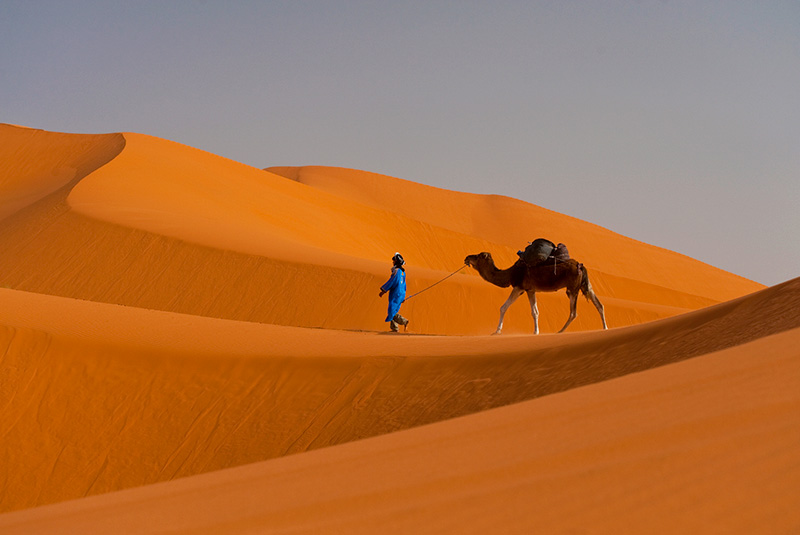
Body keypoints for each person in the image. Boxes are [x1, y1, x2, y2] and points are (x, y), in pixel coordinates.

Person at [378, 252, 410, 332]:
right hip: (400, 293)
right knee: (393, 309)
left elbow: (392, 281)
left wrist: (383, 290)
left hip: (396, 293)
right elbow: (404, 285)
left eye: (394, 261)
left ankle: (404, 321)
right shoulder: (403, 272)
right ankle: (394, 328)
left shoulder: (397, 271)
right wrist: (403, 296)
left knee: (391, 310)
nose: (393, 262)